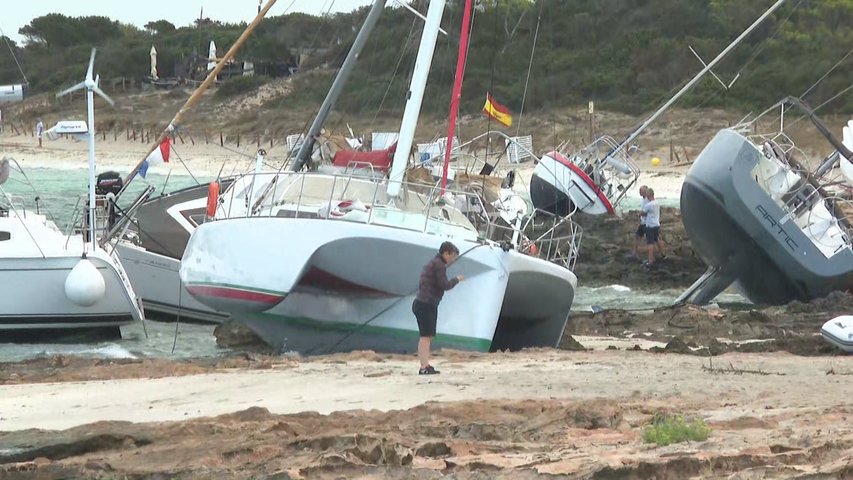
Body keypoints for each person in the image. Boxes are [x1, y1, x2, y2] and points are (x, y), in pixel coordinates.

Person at [413, 241, 464, 375]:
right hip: (426, 304)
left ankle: (426, 365)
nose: (452, 260)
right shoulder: (439, 265)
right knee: (425, 336)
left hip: (423, 303)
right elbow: (444, 285)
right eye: (452, 256)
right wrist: (457, 279)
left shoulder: (433, 263)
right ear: (446, 253)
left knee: (427, 336)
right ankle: (424, 367)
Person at [640, 188, 664, 268]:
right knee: (657, 239)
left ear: (649, 195)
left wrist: (640, 213)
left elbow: (642, 213)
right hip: (657, 224)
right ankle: (663, 254)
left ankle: (650, 260)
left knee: (650, 243)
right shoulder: (657, 203)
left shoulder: (648, 205)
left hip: (650, 226)